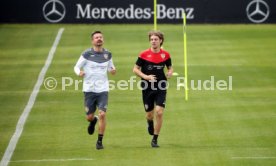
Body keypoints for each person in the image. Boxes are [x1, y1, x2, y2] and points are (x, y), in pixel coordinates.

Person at [74, 31, 116, 150]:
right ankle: (93, 121)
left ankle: (99, 141)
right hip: (89, 90)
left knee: (102, 114)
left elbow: (111, 68)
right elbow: (76, 66)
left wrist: (113, 70)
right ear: (92, 41)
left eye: (101, 37)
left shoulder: (108, 54)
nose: (99, 39)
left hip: (103, 90)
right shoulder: (86, 54)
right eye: (96, 38)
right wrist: (79, 72)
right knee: (89, 117)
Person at [133, 30, 173, 148]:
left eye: (156, 39)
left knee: (159, 112)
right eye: (151, 39)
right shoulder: (143, 54)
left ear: (160, 41)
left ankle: (155, 139)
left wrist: (170, 73)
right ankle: (149, 123)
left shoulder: (165, 54)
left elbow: (170, 68)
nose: (153, 41)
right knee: (149, 114)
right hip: (147, 87)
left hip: (161, 86)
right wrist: (146, 77)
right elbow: (135, 69)